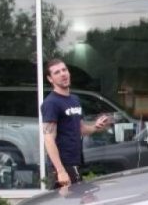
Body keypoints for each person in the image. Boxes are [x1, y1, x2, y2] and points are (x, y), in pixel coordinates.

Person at [41, 59, 110, 188]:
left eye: (64, 70)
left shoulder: (74, 100)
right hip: (62, 166)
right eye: (57, 72)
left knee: (78, 204)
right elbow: (49, 139)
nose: (63, 74)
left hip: (76, 162)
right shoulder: (51, 103)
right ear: (50, 79)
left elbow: (81, 129)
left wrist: (96, 126)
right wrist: (60, 171)